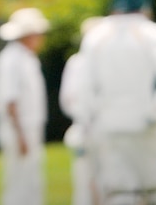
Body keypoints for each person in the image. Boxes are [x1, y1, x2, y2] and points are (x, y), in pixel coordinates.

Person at [75, 0, 156, 205]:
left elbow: (83, 84)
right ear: (143, 7)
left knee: (121, 193)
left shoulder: (95, 36)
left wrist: (97, 112)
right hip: (146, 124)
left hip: (110, 125)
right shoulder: (151, 32)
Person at [0, 7, 51, 205]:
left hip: (29, 128)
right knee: (18, 182)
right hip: (18, 129)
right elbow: (10, 101)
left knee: (31, 181)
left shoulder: (26, 58)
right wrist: (20, 135)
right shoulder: (11, 59)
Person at [58, 16, 102, 205]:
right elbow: (67, 100)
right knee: (84, 185)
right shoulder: (76, 63)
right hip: (84, 131)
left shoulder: (107, 63)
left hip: (107, 131)